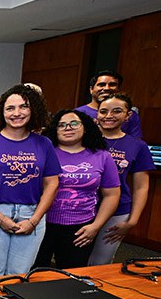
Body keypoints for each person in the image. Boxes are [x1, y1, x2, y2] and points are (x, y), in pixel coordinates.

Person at [0, 84, 61, 276]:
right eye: (10, 108)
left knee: (19, 272)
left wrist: (34, 220)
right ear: (2, 112)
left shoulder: (44, 144)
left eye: (23, 107)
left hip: (32, 213)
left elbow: (52, 184)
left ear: (33, 109)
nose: (16, 113)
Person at [34, 110, 120, 270]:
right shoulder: (43, 154)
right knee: (35, 272)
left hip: (81, 227)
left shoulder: (102, 156)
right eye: (62, 125)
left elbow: (112, 195)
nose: (68, 128)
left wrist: (95, 226)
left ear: (85, 127)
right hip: (41, 224)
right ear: (55, 130)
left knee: (71, 275)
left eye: (74, 123)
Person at [88, 92, 154, 265]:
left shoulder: (137, 146)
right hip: (80, 208)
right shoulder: (83, 139)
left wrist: (132, 221)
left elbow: (141, 187)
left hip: (117, 211)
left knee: (100, 261)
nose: (109, 116)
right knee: (74, 259)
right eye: (103, 111)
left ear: (128, 115)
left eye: (116, 111)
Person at [76, 70, 142, 138]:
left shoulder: (129, 114)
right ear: (91, 89)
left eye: (112, 85)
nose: (106, 88)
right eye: (101, 84)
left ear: (118, 89)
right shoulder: (77, 114)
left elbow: (136, 143)